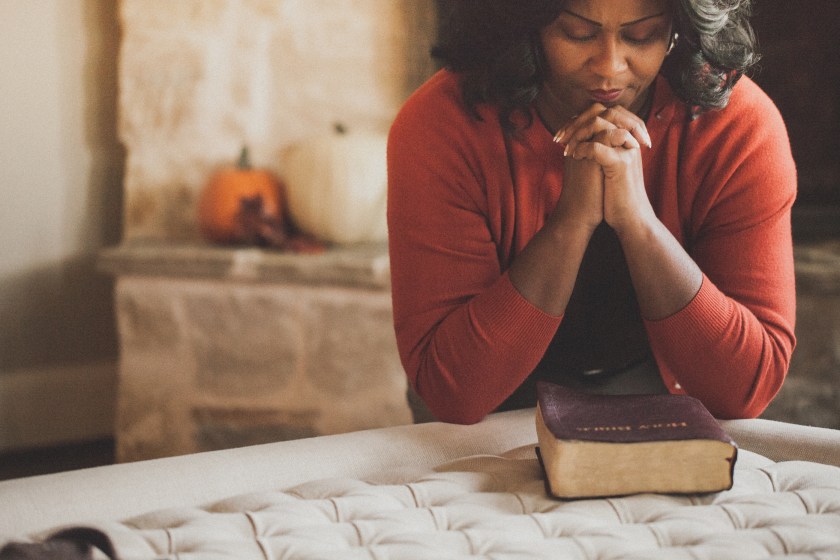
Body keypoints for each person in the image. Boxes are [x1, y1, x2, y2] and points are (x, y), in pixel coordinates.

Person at [386, 0, 797, 424]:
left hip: (666, 396)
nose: (610, 67)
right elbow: (452, 390)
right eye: (577, 34)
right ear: (527, 27)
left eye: (642, 35)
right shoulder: (443, 125)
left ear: (678, 30)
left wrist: (638, 222)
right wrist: (571, 222)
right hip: (486, 409)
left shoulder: (738, 126)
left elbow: (747, 387)